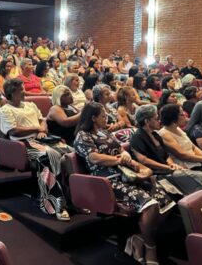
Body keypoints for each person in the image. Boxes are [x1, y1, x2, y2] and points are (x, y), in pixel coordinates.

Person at [74, 102, 175, 265]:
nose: (107, 118)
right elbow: (93, 158)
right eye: (103, 116)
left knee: (167, 201)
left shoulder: (105, 132)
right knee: (151, 205)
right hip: (107, 180)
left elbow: (121, 149)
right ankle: (150, 246)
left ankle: (138, 238)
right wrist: (119, 159)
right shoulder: (83, 135)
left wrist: (127, 156)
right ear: (93, 118)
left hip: (126, 175)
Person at [0, 78, 72, 221]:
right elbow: (13, 131)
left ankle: (72, 200)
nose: (25, 92)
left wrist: (43, 128)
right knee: (51, 155)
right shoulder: (4, 110)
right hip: (23, 144)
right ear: (12, 93)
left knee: (70, 153)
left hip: (41, 138)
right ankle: (55, 205)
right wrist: (37, 128)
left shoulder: (30, 105)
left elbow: (42, 119)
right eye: (21, 90)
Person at [130, 105, 202, 196]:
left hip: (167, 170)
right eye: (156, 119)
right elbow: (144, 160)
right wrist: (167, 167)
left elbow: (166, 155)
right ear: (147, 121)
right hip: (156, 174)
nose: (159, 121)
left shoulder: (156, 135)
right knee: (201, 177)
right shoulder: (137, 137)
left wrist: (172, 164)